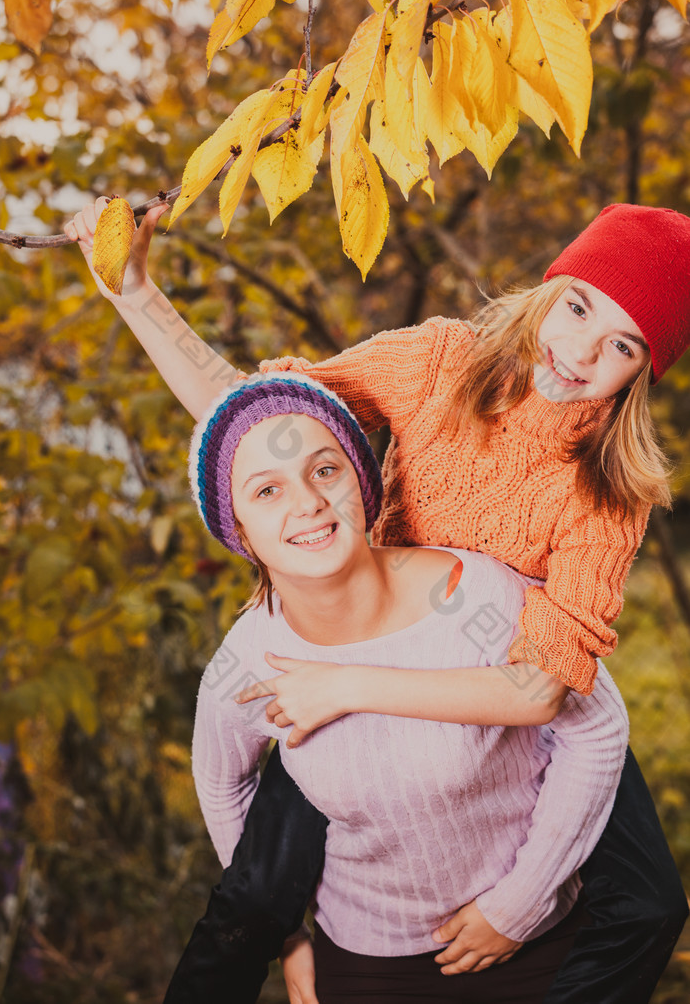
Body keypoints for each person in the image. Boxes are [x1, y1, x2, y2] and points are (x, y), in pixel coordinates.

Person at [64, 201, 690, 1003]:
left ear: (642, 370)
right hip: (371, 626)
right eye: (577, 309)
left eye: (621, 346)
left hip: (505, 683)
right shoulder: (437, 362)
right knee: (256, 894)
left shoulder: (608, 488)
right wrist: (136, 295)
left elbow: (543, 691)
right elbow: (258, 422)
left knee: (647, 906)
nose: (578, 352)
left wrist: (513, 904)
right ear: (550, 289)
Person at [187, 371, 630, 1004]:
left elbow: (597, 731)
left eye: (325, 471)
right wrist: (285, 936)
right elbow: (221, 781)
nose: (308, 503)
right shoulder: (245, 666)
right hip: (367, 965)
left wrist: (520, 905)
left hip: (535, 947)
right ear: (238, 531)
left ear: (362, 482)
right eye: (266, 490)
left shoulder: (476, 596)